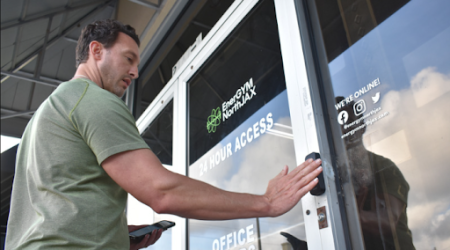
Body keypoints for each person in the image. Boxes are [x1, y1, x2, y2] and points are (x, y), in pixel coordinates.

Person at [5, 19, 322, 250]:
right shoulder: (92, 100)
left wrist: (119, 236)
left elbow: (55, 208)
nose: (135, 72)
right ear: (96, 51)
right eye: (129, 59)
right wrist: (265, 203)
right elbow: (161, 191)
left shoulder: (46, 115)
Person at [337, 97, 415, 250]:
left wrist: (344, 216)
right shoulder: (333, 175)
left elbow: (386, 221)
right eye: (338, 124)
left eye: (349, 121)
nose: (344, 128)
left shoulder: (384, 167)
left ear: (362, 126)